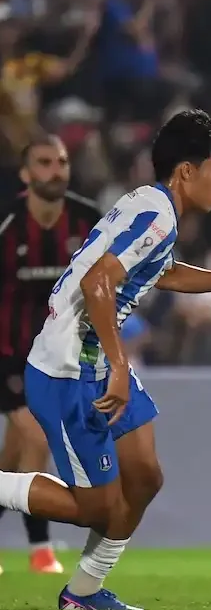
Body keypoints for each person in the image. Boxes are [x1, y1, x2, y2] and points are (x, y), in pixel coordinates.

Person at [0, 110, 211, 610]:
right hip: (69, 372)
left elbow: (164, 273)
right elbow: (99, 282)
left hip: (93, 361)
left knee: (144, 477)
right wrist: (119, 366)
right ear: (187, 171)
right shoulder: (157, 214)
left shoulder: (151, 206)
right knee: (97, 509)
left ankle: (84, 593)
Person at [0, 134, 97, 573]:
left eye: (60, 162)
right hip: (7, 356)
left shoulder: (88, 220)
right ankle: (41, 550)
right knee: (37, 437)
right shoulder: (6, 223)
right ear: (25, 174)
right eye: (43, 162)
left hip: (60, 359)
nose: (55, 170)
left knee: (14, 454)